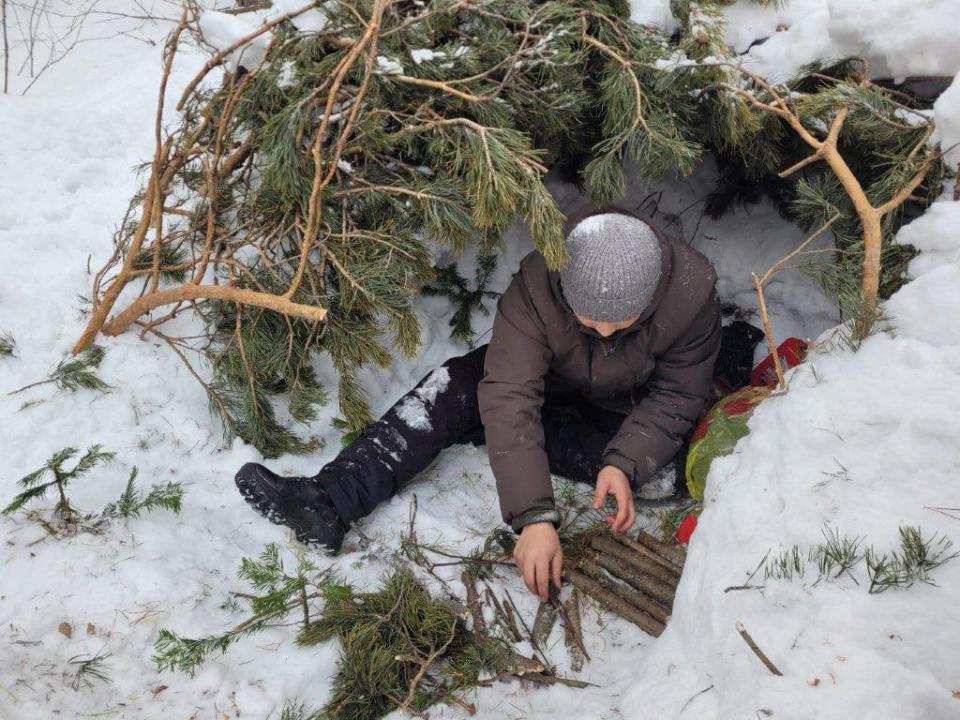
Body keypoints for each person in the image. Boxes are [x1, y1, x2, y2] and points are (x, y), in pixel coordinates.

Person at [235, 205, 721, 600]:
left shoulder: (689, 298)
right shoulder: (538, 288)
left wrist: (625, 462)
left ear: (652, 297)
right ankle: (329, 501)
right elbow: (510, 390)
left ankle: (511, 435)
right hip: (545, 388)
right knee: (458, 387)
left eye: (622, 323)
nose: (606, 334)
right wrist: (534, 517)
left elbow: (678, 394)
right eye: (589, 322)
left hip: (625, 415)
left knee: (661, 474)